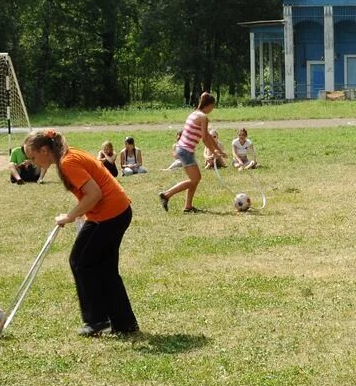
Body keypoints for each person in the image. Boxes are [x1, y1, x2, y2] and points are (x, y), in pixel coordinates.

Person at [23, 128, 138, 337]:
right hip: (115, 212)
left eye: (32, 156)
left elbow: (94, 193)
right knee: (105, 269)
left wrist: (69, 216)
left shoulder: (68, 162)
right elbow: (91, 193)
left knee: (81, 262)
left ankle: (97, 320)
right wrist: (79, 214)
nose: (32, 162)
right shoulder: (68, 155)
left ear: (44, 150)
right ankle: (124, 323)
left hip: (110, 215)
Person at [160, 93, 220, 213]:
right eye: (212, 106)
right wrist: (214, 152)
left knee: (195, 178)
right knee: (195, 179)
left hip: (184, 149)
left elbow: (207, 135)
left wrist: (218, 149)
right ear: (209, 105)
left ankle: (188, 206)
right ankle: (166, 195)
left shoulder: (194, 114)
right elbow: (204, 138)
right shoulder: (203, 117)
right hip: (185, 150)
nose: (212, 109)